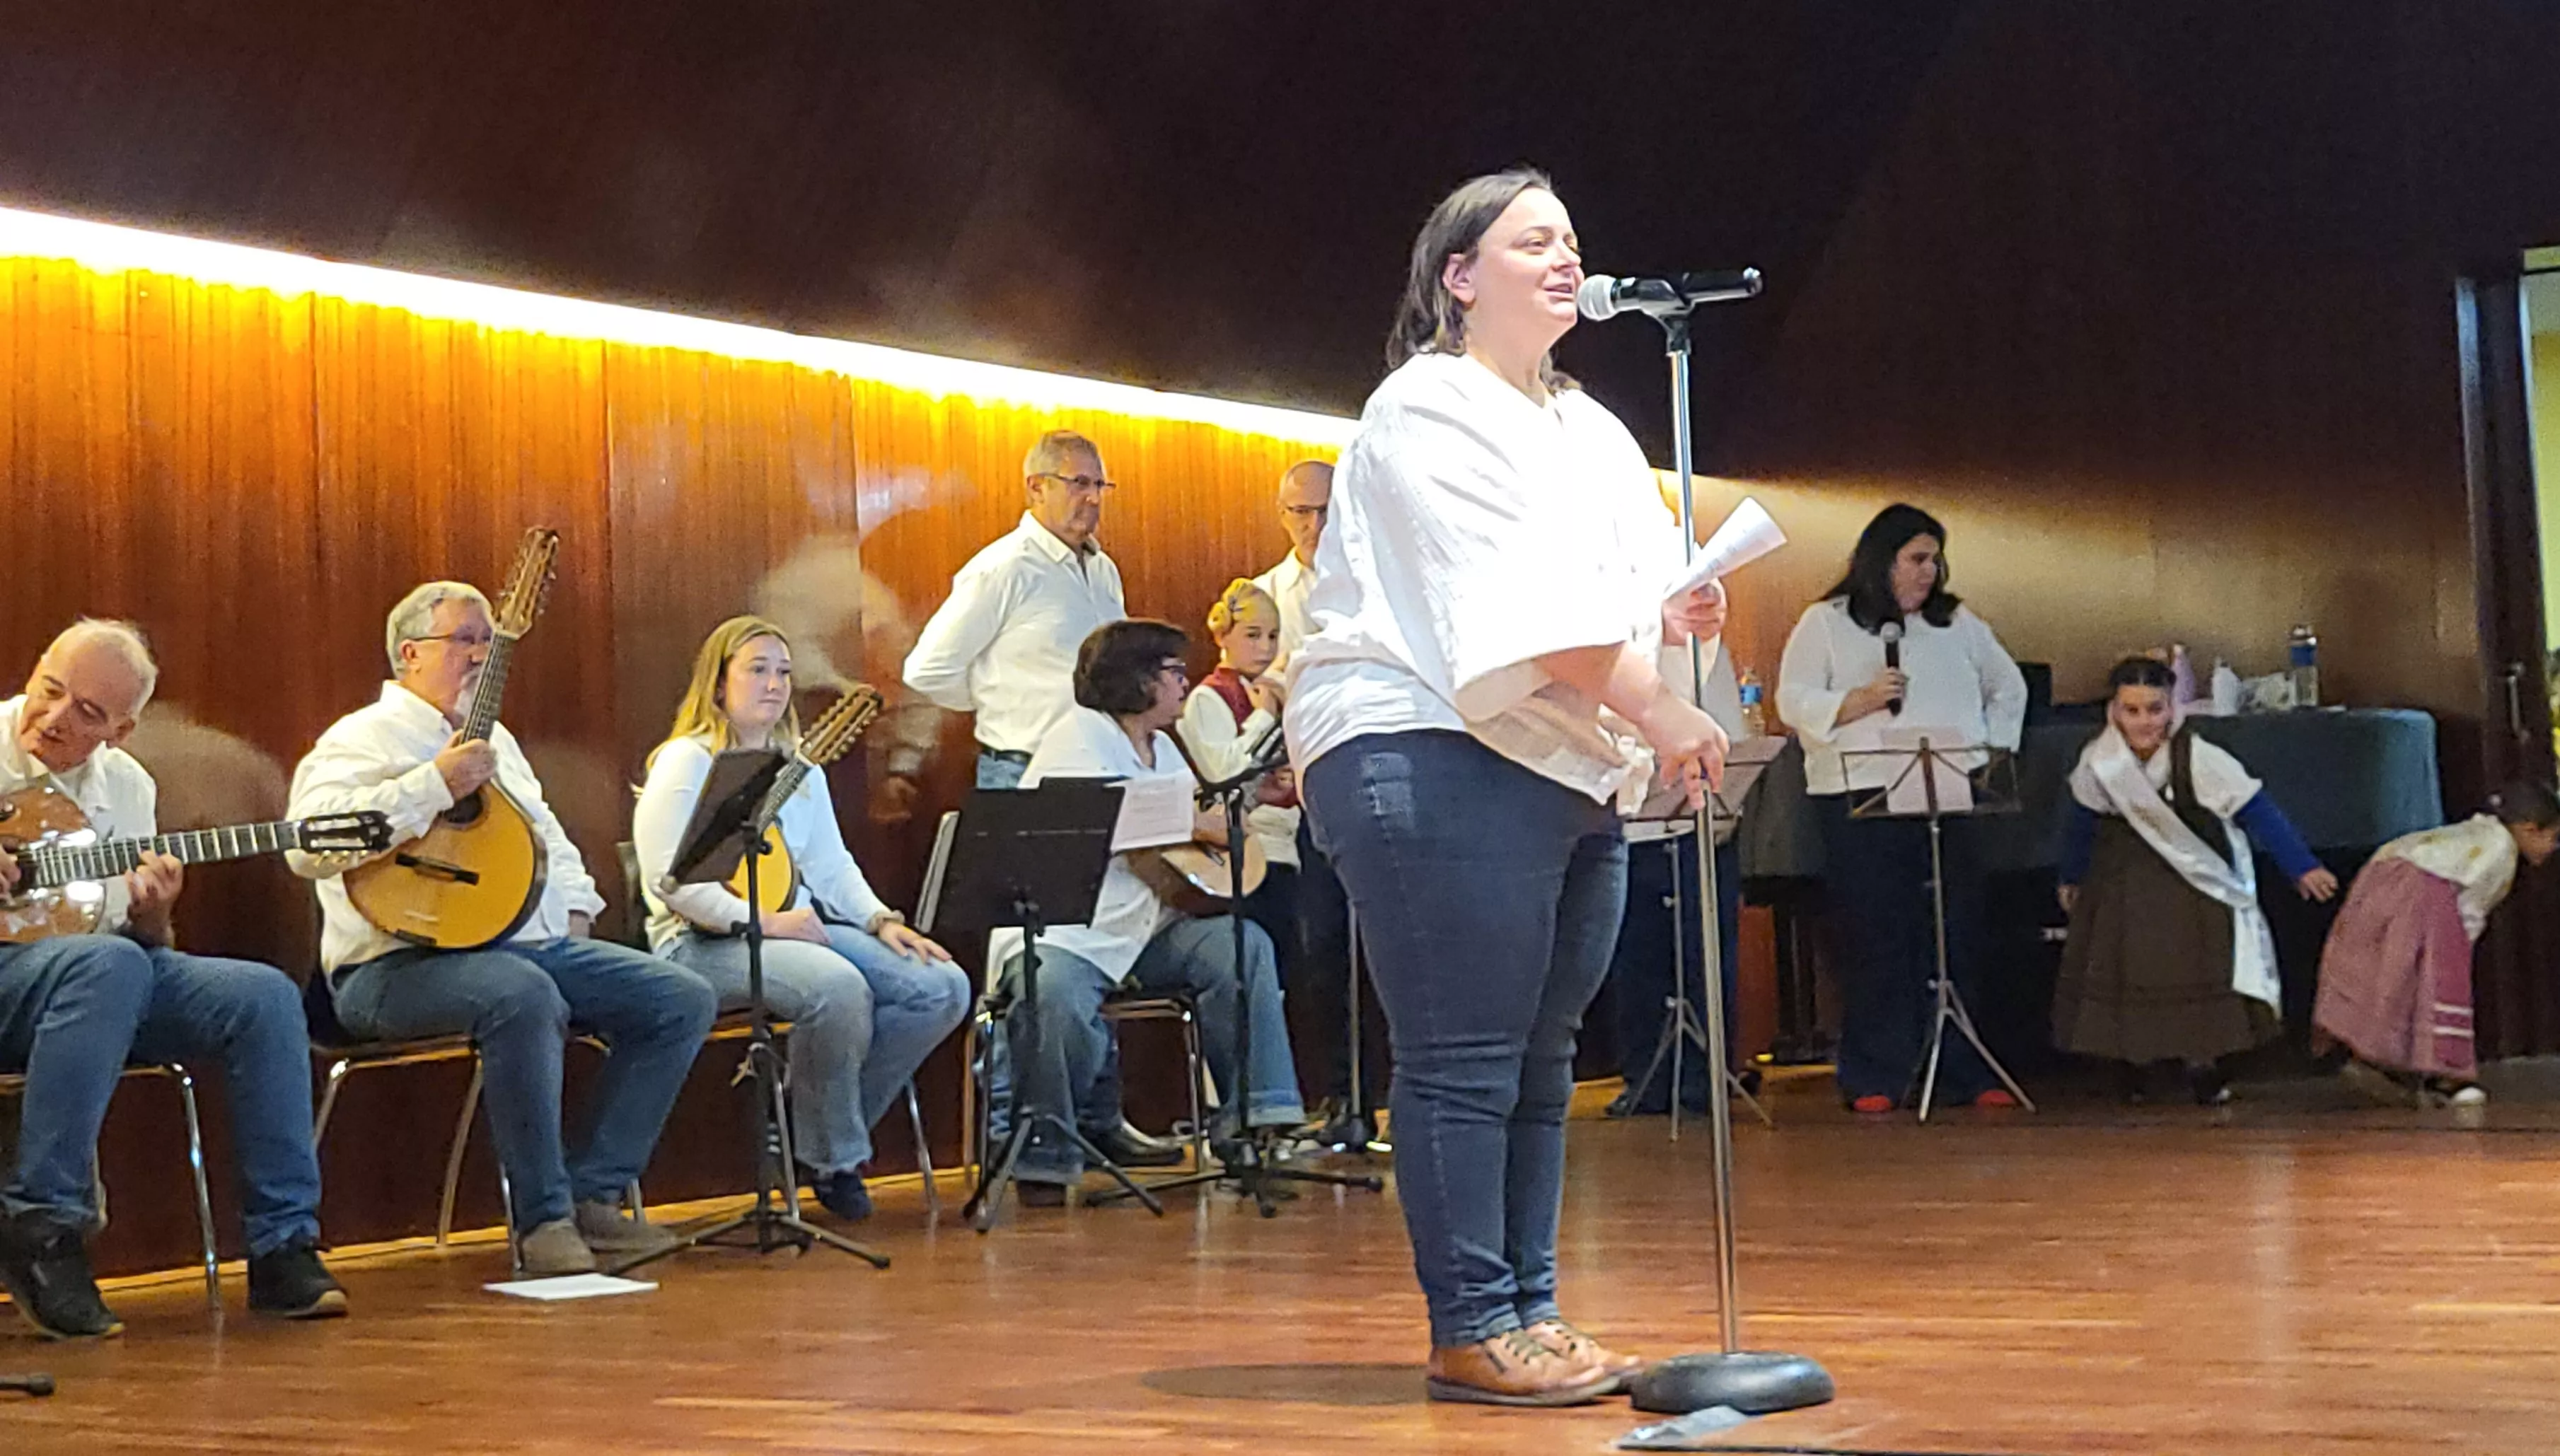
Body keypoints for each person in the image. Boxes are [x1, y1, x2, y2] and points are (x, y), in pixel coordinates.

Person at [1290, 168, 1729, 1406]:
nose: (1561, 256)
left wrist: (1678, 606)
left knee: (1540, 1055)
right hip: (1423, 742)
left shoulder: (1589, 426)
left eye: (1570, 240)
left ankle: (1528, 1308)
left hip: (1559, 751)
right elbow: (1516, 607)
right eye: (1530, 239)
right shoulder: (1423, 404)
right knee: (1464, 1050)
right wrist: (1656, 700)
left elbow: (1620, 589)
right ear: (1458, 277)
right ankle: (1469, 1320)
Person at [286, 582, 718, 1277]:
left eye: (489, 640)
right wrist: (431, 784)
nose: (483, 653)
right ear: (410, 653)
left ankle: (595, 1196)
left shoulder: (500, 740)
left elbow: (547, 837)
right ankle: (542, 1220)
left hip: (523, 949)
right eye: (465, 639)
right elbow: (306, 846)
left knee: (679, 997)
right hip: (388, 971)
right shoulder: (359, 738)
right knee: (521, 993)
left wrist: (577, 909)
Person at [0, 621, 344, 1338]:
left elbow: (139, 942)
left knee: (262, 996)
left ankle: (284, 1246)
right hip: (24, 976)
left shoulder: (128, 786)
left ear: (121, 731)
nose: (57, 718)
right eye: (50, 691)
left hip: (100, 973)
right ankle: (42, 1225)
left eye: (88, 713)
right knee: (109, 963)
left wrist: (156, 915)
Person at [632, 616, 970, 1222]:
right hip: (701, 938)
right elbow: (673, 882)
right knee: (835, 986)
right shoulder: (686, 760)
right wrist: (766, 922)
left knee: (939, 986)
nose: (774, 684)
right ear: (717, 683)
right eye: (756, 670)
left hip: (794, 926)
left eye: (783, 672)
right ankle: (834, 1157)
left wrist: (879, 921)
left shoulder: (798, 768)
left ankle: (804, 1129)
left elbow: (831, 865)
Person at [995, 619, 1307, 1206]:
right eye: (1172, 671)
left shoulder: (1162, 746)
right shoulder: (1078, 737)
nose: (1184, 682)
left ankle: (1253, 1127)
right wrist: (1201, 823)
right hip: (1070, 933)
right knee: (1052, 991)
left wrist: (1240, 804)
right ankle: (1045, 1155)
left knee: (1241, 946)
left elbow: (1182, 841)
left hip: (1147, 925)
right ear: (1136, 679)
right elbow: (1126, 820)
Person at [1775, 503, 2027, 1114]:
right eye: (1916, 559)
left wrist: (1988, 753)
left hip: (1948, 789)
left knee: (1954, 930)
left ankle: (1963, 1068)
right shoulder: (1826, 621)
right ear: (1880, 560)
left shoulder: (1956, 622)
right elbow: (1791, 698)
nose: (1928, 572)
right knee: (1876, 935)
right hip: (1860, 795)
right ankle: (1875, 1072)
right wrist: (1855, 701)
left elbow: (2008, 686)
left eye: (1934, 560)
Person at [2053, 657, 2338, 1105]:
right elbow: (2081, 822)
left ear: (2172, 709)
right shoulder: (2099, 760)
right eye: (2133, 710)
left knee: (2195, 966)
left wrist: (2301, 865)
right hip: (2121, 882)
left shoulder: (2201, 758)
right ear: (2114, 710)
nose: (2145, 721)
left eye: (2155, 709)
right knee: (2125, 968)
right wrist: (2071, 875)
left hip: (2191, 885)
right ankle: (2136, 1065)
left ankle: (2203, 1063)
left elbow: (2257, 810)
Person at [1254, 461, 1388, 1150]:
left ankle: (1387, 1094)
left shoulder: (1380, 582)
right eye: (1298, 512)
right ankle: (1341, 1098)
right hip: (1301, 799)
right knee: (1323, 948)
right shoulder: (1263, 598)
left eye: (1325, 511)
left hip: (1377, 781)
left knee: (1387, 949)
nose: (1312, 526)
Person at [902, 430, 1129, 791]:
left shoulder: (1104, 570)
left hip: (1104, 767)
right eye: (1080, 483)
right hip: (1024, 773)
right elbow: (927, 670)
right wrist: (996, 698)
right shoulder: (1004, 567)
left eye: (1100, 485)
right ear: (1037, 488)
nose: (1093, 497)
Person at [2312, 781, 2560, 1106]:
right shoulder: (2502, 851)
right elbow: (2471, 908)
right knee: (2439, 985)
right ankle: (2448, 1074)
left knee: (2389, 976)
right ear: (2529, 829)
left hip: (2378, 884)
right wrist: (2459, 949)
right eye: (2553, 838)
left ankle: (2373, 1058)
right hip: (2428, 900)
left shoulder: (2470, 832)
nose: (2553, 849)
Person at [1605, 641, 1751, 1117]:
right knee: (1638, 960)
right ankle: (1647, 1079)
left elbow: (1726, 725)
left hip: (1698, 820)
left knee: (1705, 955)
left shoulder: (1705, 644)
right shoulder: (1624, 636)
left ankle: (1707, 1074)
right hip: (1629, 821)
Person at [1177, 580, 1300, 989]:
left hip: (1288, 844)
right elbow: (1222, 773)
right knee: (1257, 972)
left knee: (1295, 972)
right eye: (1252, 635)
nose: (1265, 647)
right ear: (1223, 636)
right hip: (1243, 850)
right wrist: (1264, 717)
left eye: (1272, 636)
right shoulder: (1208, 698)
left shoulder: (1279, 693)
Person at [1253, 460, 1334, 665]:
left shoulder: (1382, 587)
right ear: (1282, 514)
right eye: (1302, 511)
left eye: (1326, 510)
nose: (1316, 525)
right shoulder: (1261, 596)